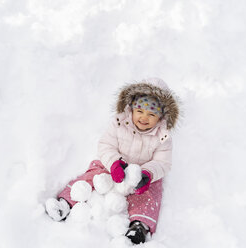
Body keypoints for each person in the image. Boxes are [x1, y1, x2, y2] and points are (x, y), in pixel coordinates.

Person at [45, 77, 180, 244]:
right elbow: (106, 145)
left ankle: (140, 226)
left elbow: (163, 162)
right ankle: (65, 202)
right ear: (131, 109)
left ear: (160, 117)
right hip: (114, 164)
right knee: (93, 174)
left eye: (151, 114)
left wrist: (148, 174)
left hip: (142, 173)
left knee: (151, 192)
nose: (144, 118)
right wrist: (114, 162)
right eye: (140, 111)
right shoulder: (119, 123)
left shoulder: (163, 137)